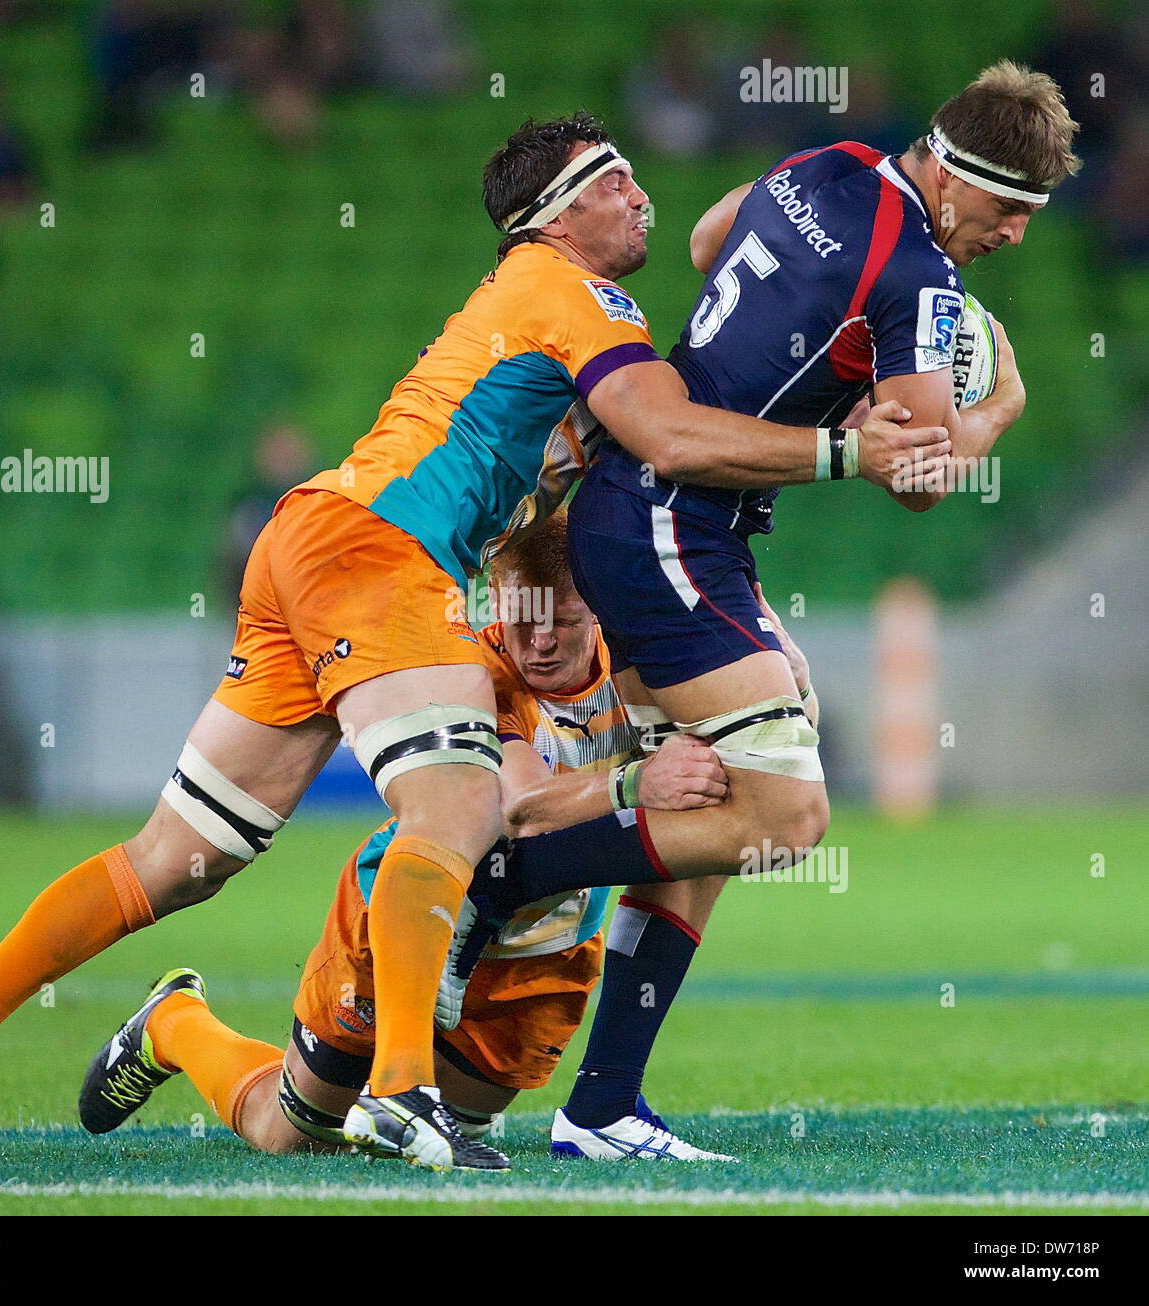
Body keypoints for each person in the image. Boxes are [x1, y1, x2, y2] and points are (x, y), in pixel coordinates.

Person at [0, 112, 946, 1172]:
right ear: (550, 216)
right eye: (610, 179)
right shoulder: (573, 291)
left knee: (177, 858)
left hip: (312, 540)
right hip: (382, 549)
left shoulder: (543, 305)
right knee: (460, 805)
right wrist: (846, 452)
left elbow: (625, 466)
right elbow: (669, 436)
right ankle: (399, 1091)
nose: (636, 193)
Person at [439, 68, 1074, 1113]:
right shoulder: (920, 277)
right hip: (670, 524)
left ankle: (603, 1106)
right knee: (785, 816)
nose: (1010, 236)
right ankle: (504, 877)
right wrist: (995, 409)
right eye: (1007, 211)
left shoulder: (827, 164)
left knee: (702, 803)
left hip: (652, 518)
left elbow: (706, 241)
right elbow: (913, 476)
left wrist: (829, 330)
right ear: (956, 180)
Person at [77, 512, 734, 1164]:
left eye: (561, 621)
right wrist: (638, 782)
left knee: (452, 1126)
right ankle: (175, 1024)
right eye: (521, 620)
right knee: (296, 1133)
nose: (538, 642)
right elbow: (525, 805)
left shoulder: (641, 662)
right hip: (418, 915)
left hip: (545, 952)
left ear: (597, 608)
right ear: (497, 603)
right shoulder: (474, 668)